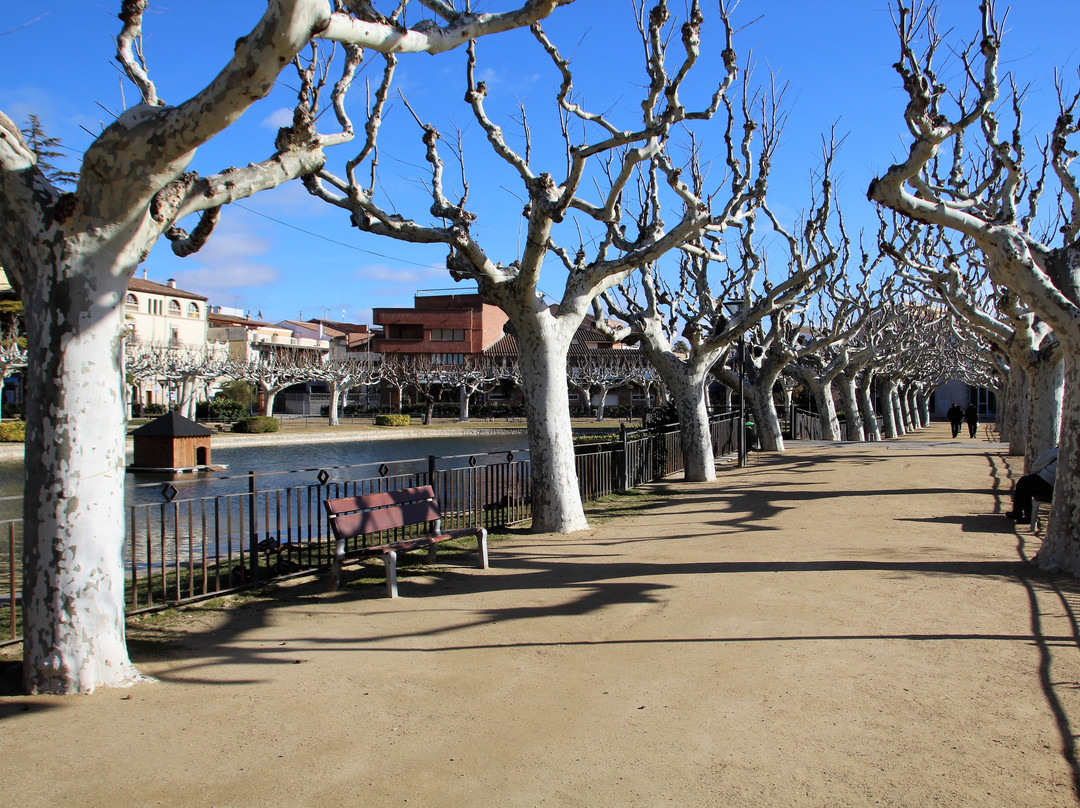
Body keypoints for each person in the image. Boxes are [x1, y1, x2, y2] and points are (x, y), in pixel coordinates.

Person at [1005, 447, 1058, 522]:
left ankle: (1025, 515)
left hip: (1047, 483)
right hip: (1055, 486)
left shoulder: (1056, 452)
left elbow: (1037, 465)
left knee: (1023, 483)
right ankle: (1019, 513)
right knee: (1027, 483)